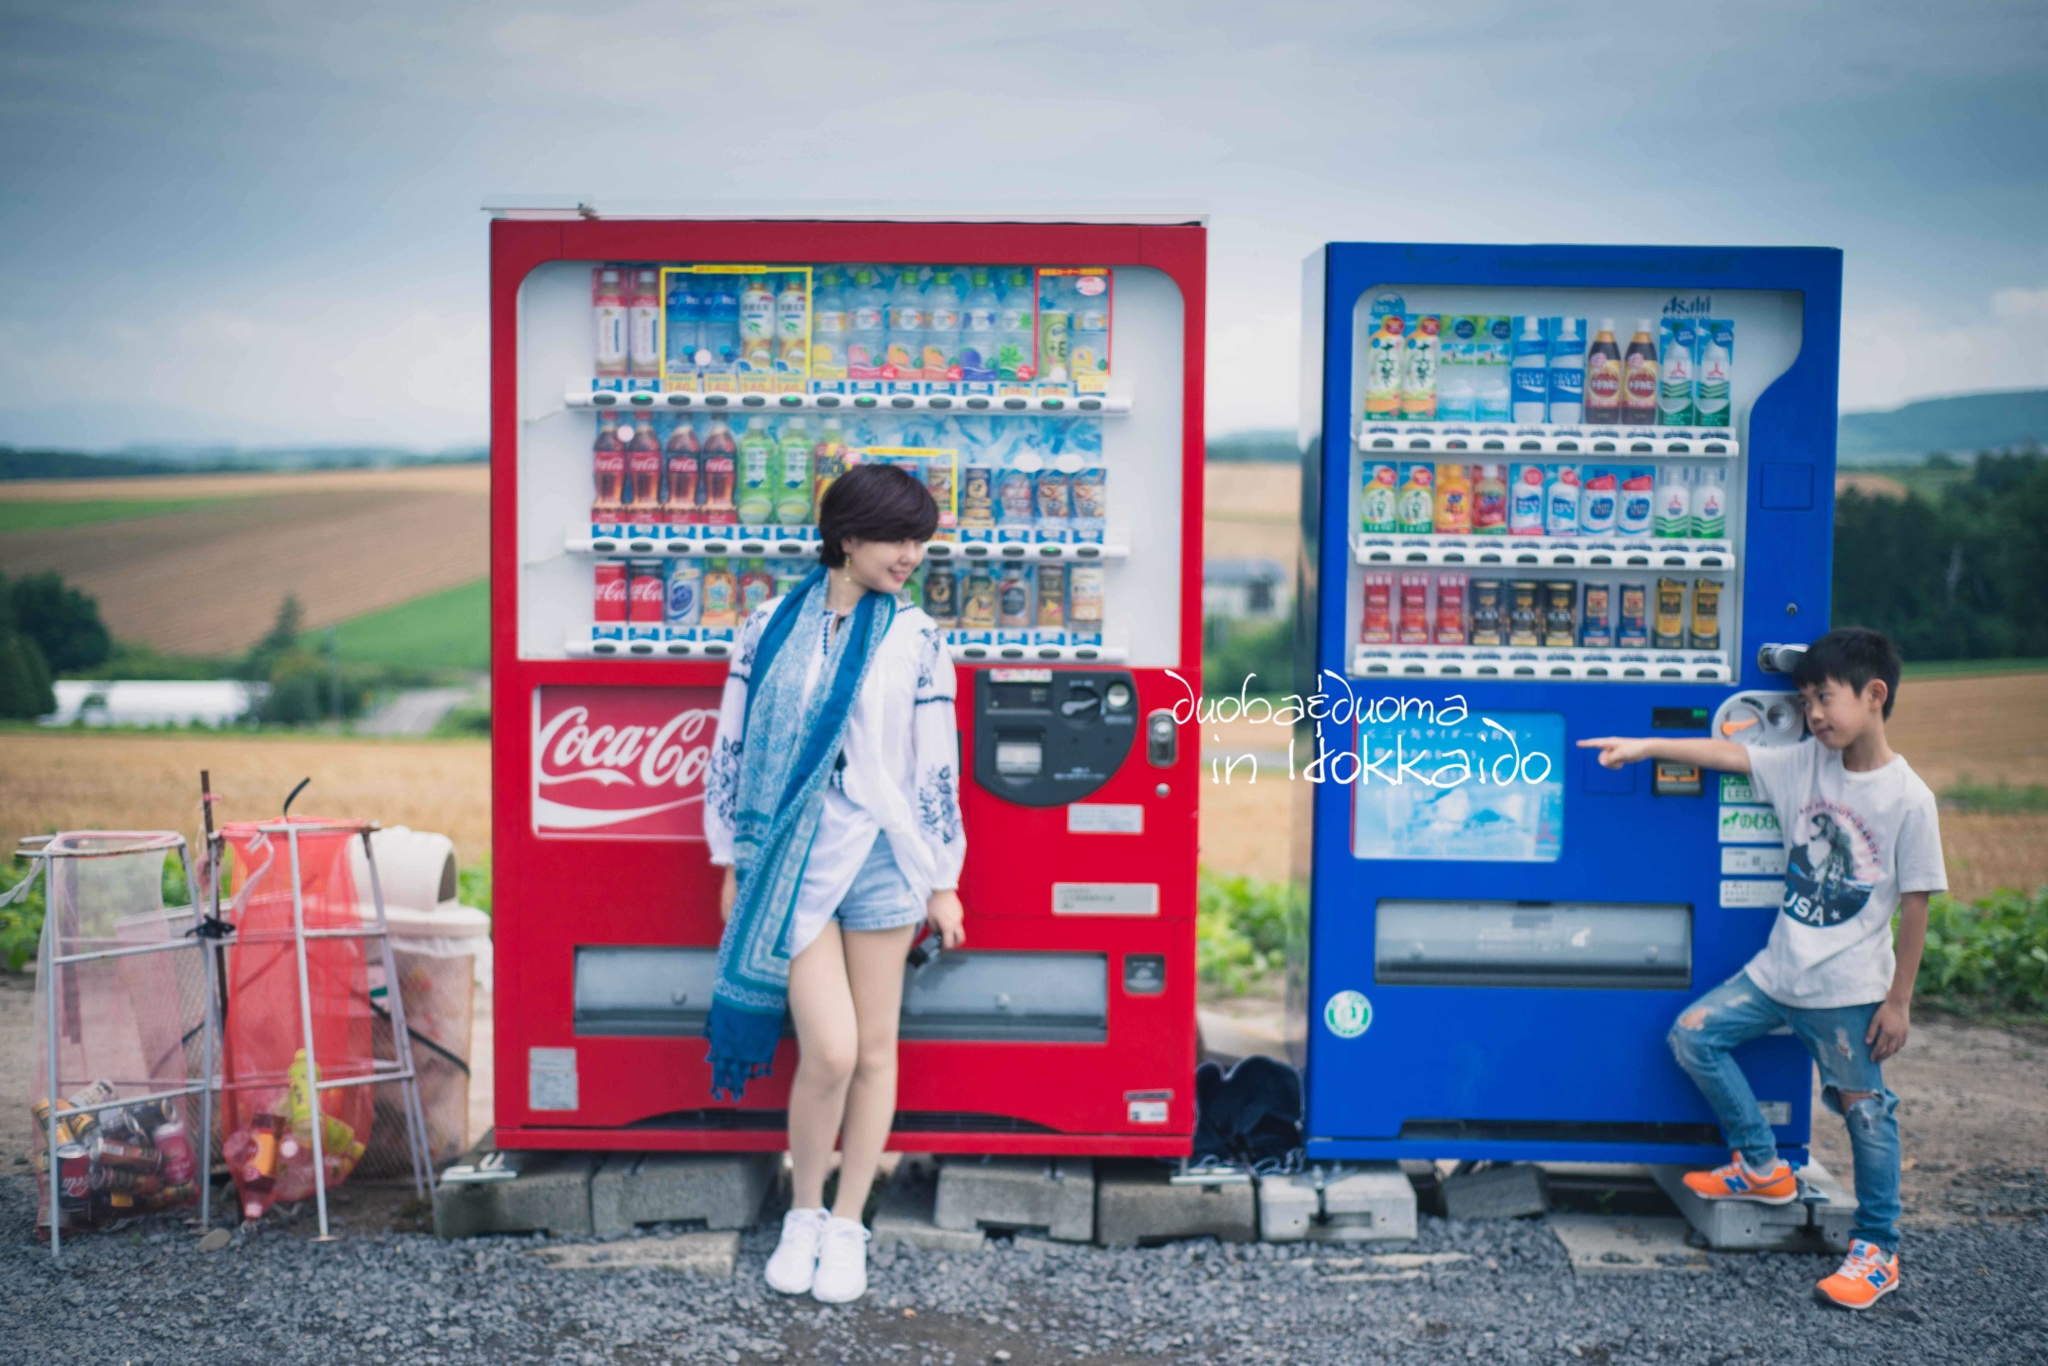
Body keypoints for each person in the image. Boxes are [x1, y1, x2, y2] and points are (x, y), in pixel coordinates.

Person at [1579, 627, 1943, 1311]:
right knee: (1693, 1036)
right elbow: (1727, 751)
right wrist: (1645, 745)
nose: (1813, 714)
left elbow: (1918, 905)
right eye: (1806, 700)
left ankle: (1877, 1249)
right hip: (1778, 972)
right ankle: (1761, 1164)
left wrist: (1899, 1002)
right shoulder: (1804, 765)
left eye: (1825, 699)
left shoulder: (1908, 800)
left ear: (1874, 696)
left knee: (1867, 1115)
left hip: (1849, 991)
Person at [703, 462, 967, 1305]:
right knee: (832, 1050)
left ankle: (851, 1224)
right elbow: (732, 749)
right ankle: (804, 1213)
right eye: (895, 538)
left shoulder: (917, 637)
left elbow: (936, 765)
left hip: (887, 854)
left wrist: (945, 877)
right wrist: (728, 860)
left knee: (877, 1050)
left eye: (921, 540)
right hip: (792, 853)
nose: (911, 556)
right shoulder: (767, 627)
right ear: (846, 537)